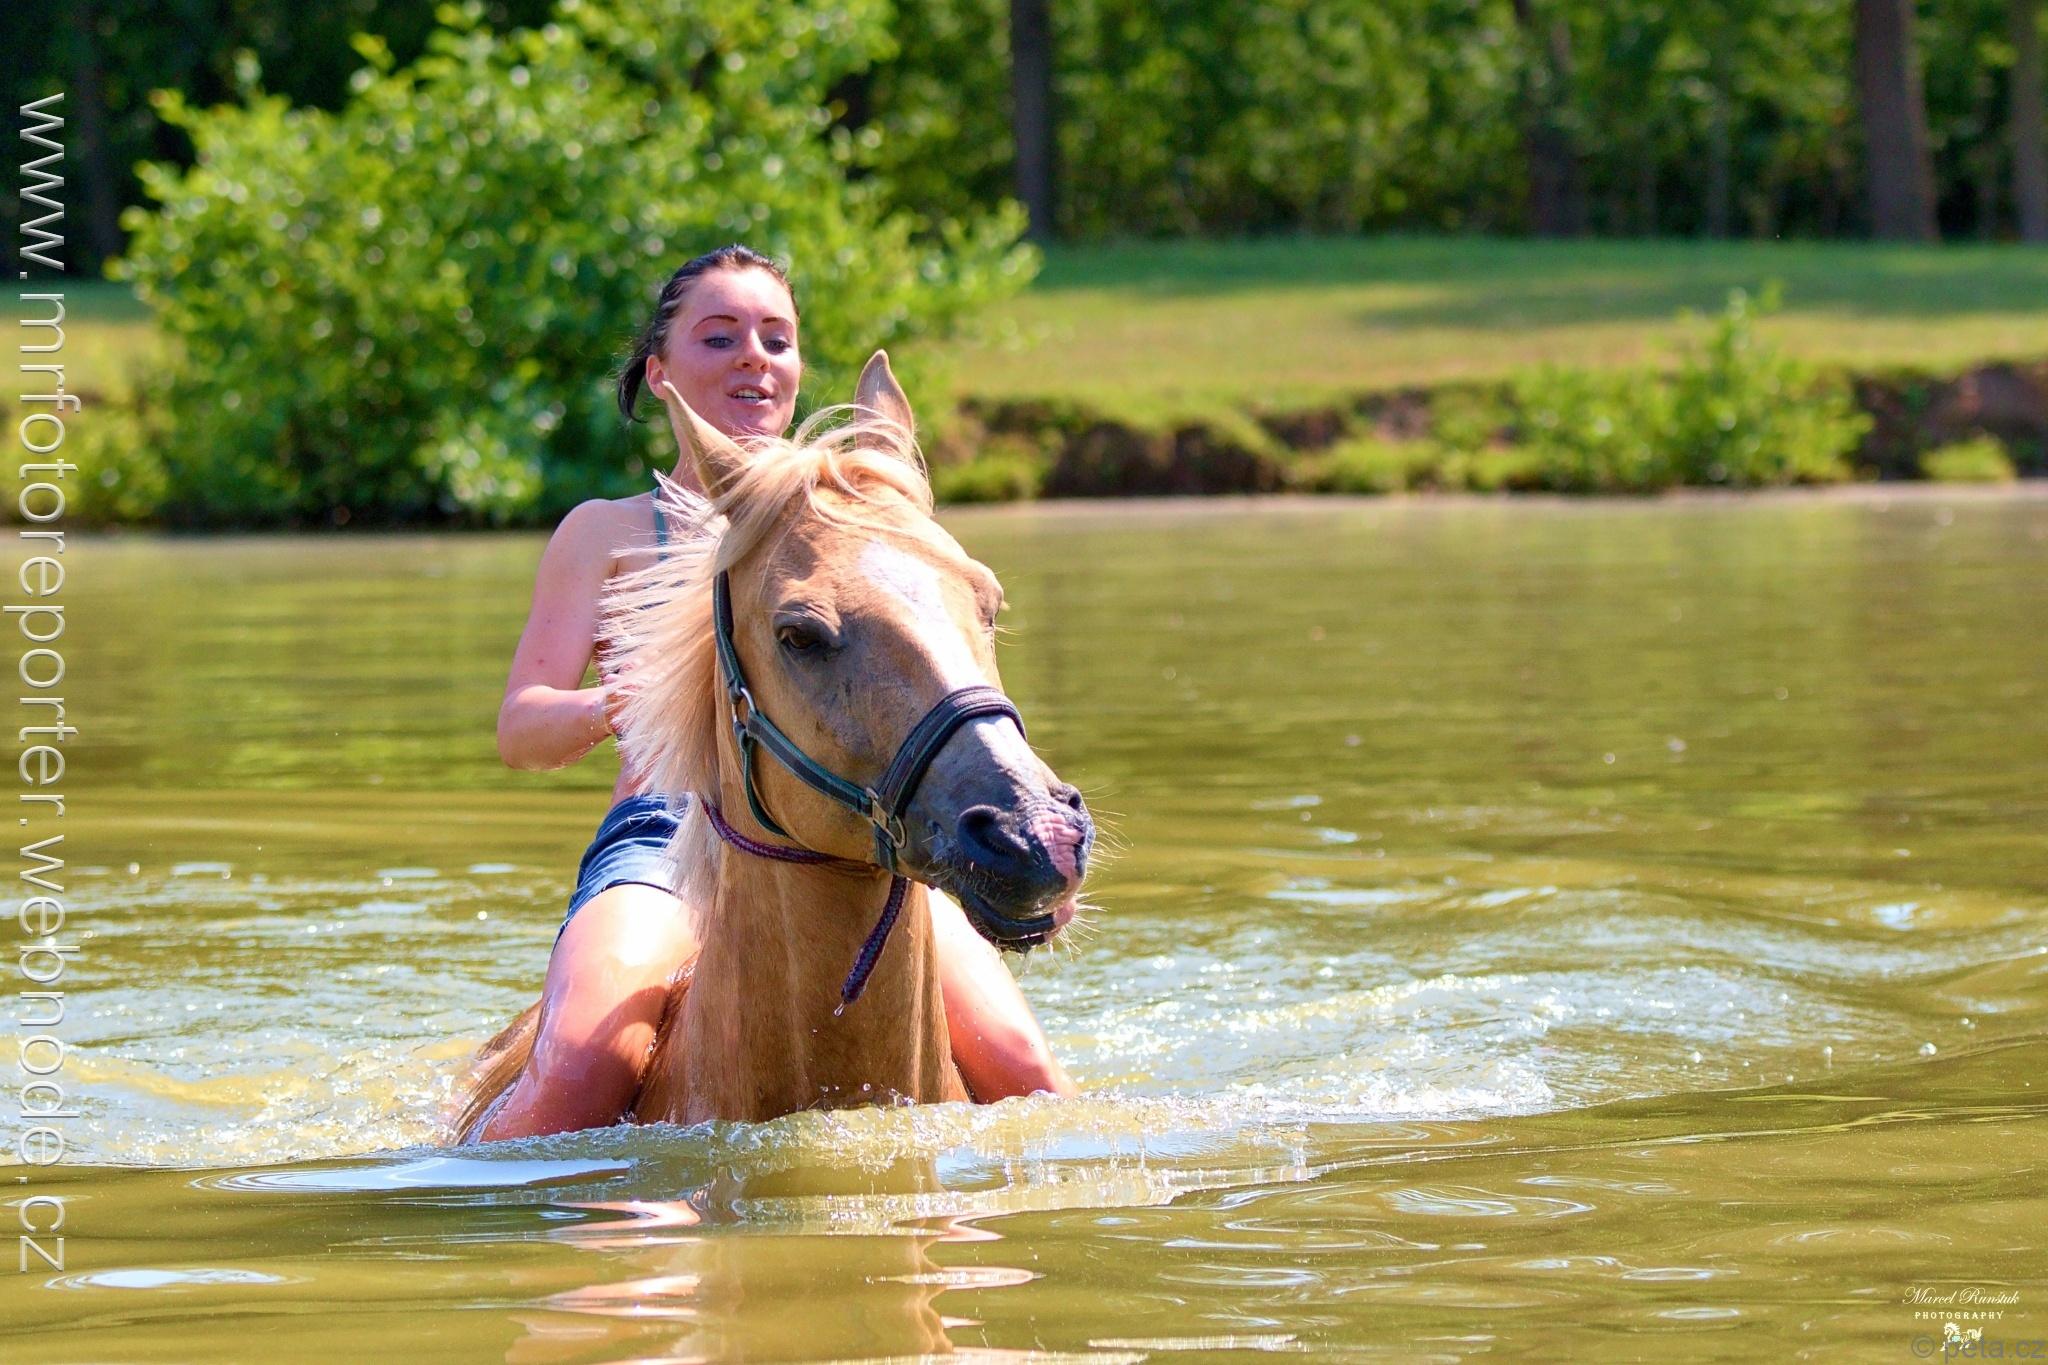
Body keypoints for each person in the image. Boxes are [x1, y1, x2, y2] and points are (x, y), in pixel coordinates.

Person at [477, 246, 1073, 1139]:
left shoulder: (852, 526)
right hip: (664, 841)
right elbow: (520, 728)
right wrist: (623, 703)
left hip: (858, 825)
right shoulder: (604, 531)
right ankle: (472, 1199)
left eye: (776, 338)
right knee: (578, 1073)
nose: (753, 356)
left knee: (1028, 1070)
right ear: (660, 373)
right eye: (719, 337)